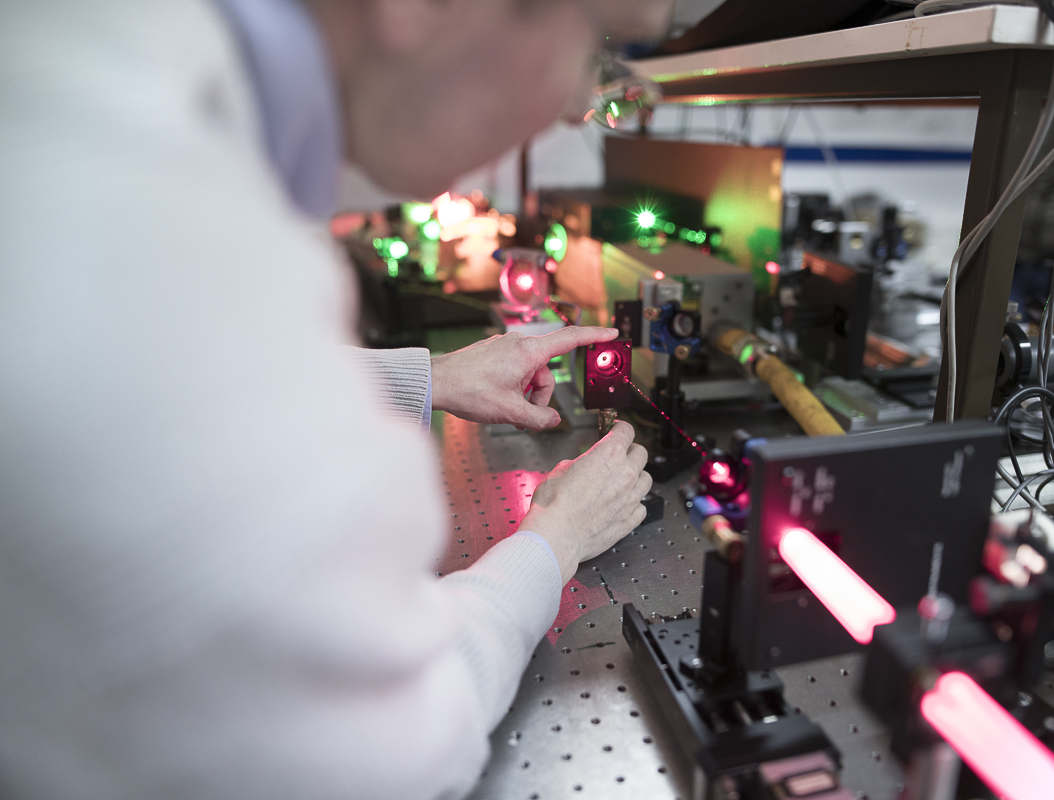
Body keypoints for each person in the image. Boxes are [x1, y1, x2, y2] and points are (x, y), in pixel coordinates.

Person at [0, 0, 671, 797]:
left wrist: (429, 378)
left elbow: (181, 382)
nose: (573, 103)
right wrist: (554, 540)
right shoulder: (146, 232)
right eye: (596, 39)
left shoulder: (97, 85)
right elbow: (397, 747)